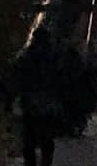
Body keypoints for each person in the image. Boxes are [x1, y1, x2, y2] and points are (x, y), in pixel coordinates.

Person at [8, 26, 63, 166]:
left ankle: (31, 163)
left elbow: (17, 76)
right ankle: (45, 162)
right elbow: (60, 78)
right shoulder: (53, 56)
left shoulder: (27, 56)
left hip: (30, 104)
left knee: (30, 141)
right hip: (48, 105)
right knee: (46, 140)